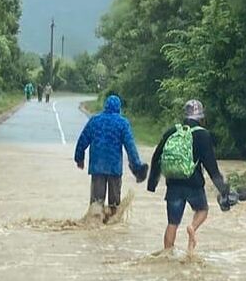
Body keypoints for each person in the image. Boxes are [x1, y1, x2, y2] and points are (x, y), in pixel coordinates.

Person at [145, 99, 232, 254]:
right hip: (194, 184)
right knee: (202, 210)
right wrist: (223, 189)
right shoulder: (203, 135)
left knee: (172, 223)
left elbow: (157, 157)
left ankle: (167, 254)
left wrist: (152, 183)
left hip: (173, 185)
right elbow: (211, 166)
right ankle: (192, 227)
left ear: (184, 116)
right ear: (201, 117)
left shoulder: (172, 132)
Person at [72, 94, 146, 222]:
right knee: (114, 207)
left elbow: (82, 140)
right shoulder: (122, 123)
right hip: (114, 169)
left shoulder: (95, 121)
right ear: (119, 108)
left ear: (105, 106)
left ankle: (94, 229)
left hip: (97, 168)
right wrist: (137, 167)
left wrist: (79, 158)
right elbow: (130, 147)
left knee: (96, 205)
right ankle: (111, 231)